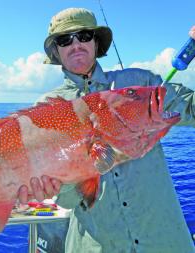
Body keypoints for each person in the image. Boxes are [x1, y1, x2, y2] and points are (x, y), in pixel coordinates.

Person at [18, 7, 195, 253]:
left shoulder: (140, 84)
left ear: (96, 41)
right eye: (64, 39)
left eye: (84, 35)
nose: (76, 44)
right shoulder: (45, 111)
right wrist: (56, 186)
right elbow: (69, 199)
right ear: (56, 50)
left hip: (165, 241)